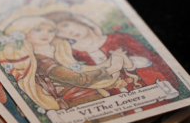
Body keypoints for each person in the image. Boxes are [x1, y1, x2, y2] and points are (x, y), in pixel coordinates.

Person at [0, 16, 131, 111]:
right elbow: (80, 79)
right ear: (23, 33)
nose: (45, 34)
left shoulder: (59, 53)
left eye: (50, 31)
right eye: (37, 30)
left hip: (97, 100)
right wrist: (112, 68)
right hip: (81, 105)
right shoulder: (40, 61)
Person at [46, 11, 179, 95]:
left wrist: (130, 64)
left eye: (65, 25)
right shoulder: (72, 56)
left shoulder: (120, 39)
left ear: (77, 20)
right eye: (59, 32)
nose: (67, 32)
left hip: (151, 96)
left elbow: (159, 67)